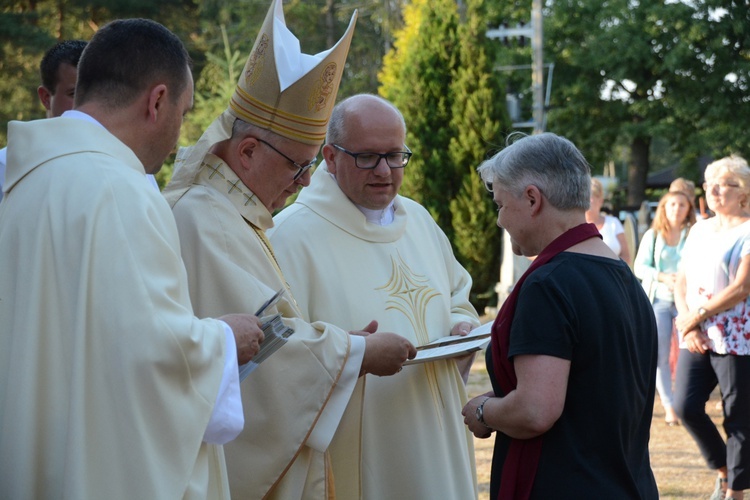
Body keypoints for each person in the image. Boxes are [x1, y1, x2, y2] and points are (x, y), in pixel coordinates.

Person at [0, 19, 266, 499]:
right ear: (157, 100)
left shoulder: (19, 183)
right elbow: (153, 354)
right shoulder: (121, 191)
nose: (177, 136)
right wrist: (226, 339)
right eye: (182, 114)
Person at [163, 2, 416, 498]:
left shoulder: (234, 214)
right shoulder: (202, 218)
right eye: (297, 167)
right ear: (248, 150)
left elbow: (268, 331)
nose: (303, 184)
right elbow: (259, 355)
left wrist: (339, 344)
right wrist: (357, 352)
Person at [268, 94, 481, 499]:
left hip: (438, 431)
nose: (385, 171)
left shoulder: (418, 219)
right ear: (330, 157)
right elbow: (277, 352)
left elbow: (457, 293)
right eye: (367, 157)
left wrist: (460, 325)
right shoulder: (290, 235)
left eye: (395, 156)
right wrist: (354, 356)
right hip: (361, 442)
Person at [462, 132, 658, 499]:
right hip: (627, 484)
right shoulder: (623, 276)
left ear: (533, 199)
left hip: (567, 484)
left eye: (501, 205)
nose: (501, 221)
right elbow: (594, 389)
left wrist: (485, 410)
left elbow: (536, 410)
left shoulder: (549, 285)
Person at [673, 155, 750, 500]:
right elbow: (682, 280)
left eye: (725, 184)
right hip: (697, 334)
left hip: (737, 337)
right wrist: (688, 323)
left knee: (738, 418)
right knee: (685, 406)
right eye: (710, 184)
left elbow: (741, 288)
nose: (715, 190)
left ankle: (736, 491)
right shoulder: (699, 229)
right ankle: (723, 470)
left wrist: (696, 314)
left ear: (743, 192)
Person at [634, 189, 696, 426]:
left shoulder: (693, 234)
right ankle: (669, 406)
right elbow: (640, 267)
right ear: (663, 208)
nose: (677, 209)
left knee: (687, 352)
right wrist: (661, 276)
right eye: (672, 204)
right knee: (659, 354)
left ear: (688, 209)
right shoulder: (653, 235)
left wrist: (681, 279)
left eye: (682, 205)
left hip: (686, 302)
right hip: (659, 299)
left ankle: (684, 400)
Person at [0, 39, 86, 203]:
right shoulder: (5, 167)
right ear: (46, 98)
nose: (88, 104)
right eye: (74, 94)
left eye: (94, 94)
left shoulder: (128, 164)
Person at [586, 177, 631, 265]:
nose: (589, 200)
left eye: (593, 196)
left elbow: (626, 255)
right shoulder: (574, 226)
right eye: (586, 196)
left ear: (601, 200)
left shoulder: (613, 223)